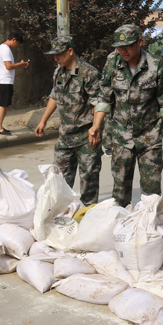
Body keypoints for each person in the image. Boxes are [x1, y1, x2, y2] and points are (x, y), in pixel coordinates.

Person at [89, 24, 163, 207]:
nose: (123, 50)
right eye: (119, 47)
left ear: (139, 42)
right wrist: (96, 125)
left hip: (149, 136)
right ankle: (122, 228)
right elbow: (104, 97)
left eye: (128, 45)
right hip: (120, 135)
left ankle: (149, 229)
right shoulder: (112, 63)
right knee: (120, 189)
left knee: (151, 191)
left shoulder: (155, 65)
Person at [34, 36, 102, 205]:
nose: (56, 58)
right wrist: (43, 121)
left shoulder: (88, 73)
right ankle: (61, 211)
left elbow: (99, 103)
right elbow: (54, 96)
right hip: (65, 136)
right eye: (54, 55)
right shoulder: (59, 72)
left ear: (70, 51)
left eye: (59, 54)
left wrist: (96, 127)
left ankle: (87, 215)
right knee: (59, 179)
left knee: (89, 180)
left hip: (86, 136)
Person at [0, 32, 29, 135]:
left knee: (6, 104)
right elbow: (8, 66)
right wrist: (20, 64)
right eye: (17, 43)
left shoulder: (3, 48)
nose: (16, 46)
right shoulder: (5, 49)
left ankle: (0, 126)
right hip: (4, 81)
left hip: (4, 81)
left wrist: (20, 64)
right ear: (13, 40)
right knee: (3, 105)